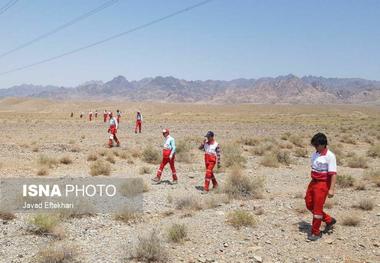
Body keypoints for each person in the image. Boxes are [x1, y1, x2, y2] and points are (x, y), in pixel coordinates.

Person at [305, 133, 337, 241]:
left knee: (317, 210)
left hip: (322, 184)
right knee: (309, 204)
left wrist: (331, 189)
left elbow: (333, 174)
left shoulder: (330, 156)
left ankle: (316, 232)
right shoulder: (315, 154)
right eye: (314, 145)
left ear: (323, 144)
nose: (315, 147)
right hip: (313, 182)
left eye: (316, 145)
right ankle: (328, 220)